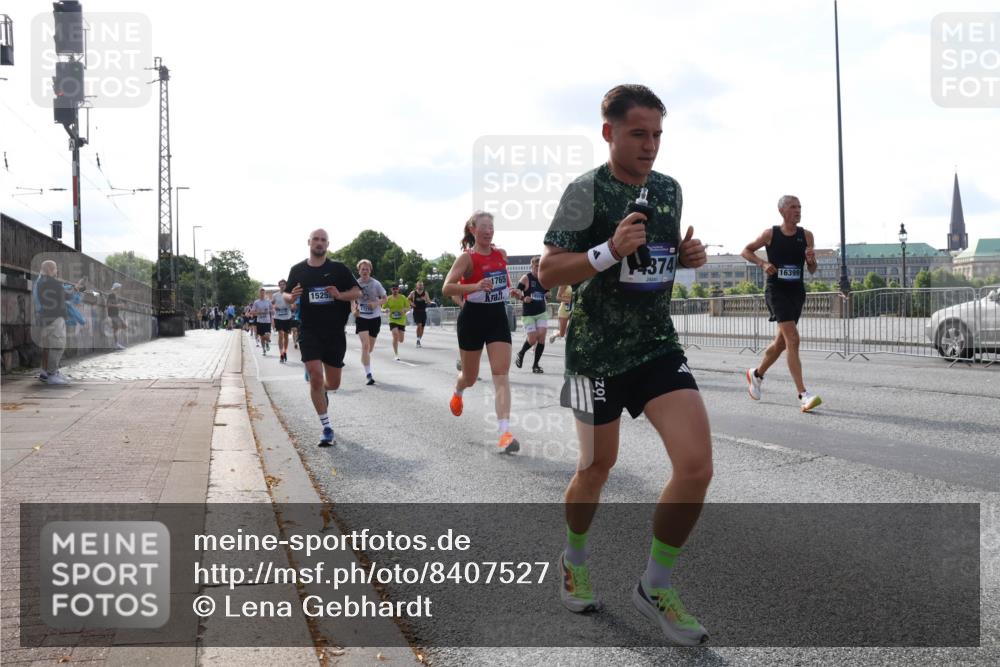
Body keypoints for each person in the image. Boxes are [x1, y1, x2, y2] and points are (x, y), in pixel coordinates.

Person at [538, 84, 711, 645]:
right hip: (593, 354)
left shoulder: (669, 190)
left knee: (696, 466)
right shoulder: (584, 192)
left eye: (658, 134)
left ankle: (655, 585)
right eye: (639, 134)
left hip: (657, 346)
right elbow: (546, 271)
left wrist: (684, 259)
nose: (651, 145)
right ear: (609, 131)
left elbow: (654, 263)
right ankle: (574, 558)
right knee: (596, 467)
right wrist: (607, 250)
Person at [444, 211, 524, 454]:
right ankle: (458, 391)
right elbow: (447, 287)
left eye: (491, 226)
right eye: (484, 227)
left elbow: (502, 283)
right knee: (470, 377)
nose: (489, 231)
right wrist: (474, 286)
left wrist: (512, 292)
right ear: (473, 229)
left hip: (497, 316)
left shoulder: (501, 255)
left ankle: (504, 433)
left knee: (501, 373)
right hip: (473, 318)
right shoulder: (466, 258)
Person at [740, 195, 822, 412]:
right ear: (782, 211)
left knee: (782, 343)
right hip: (776, 291)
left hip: (797, 292)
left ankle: (756, 375)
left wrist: (812, 261)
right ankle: (803, 394)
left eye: (800, 207)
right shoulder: (770, 234)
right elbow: (746, 250)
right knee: (793, 339)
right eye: (793, 207)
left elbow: (812, 269)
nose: (798, 210)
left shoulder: (807, 235)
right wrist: (762, 262)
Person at [284, 229, 361, 446]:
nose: (319, 243)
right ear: (309, 242)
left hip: (335, 333)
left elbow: (357, 292)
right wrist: (291, 297)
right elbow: (287, 294)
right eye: (316, 239)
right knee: (316, 376)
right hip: (309, 330)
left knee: (333, 384)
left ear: (327, 244)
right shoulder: (298, 270)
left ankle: (322, 390)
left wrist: (339, 295)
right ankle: (326, 427)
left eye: (323, 240)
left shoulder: (338, 269)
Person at [34, 260, 85, 385]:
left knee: (49, 346)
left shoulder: (41, 281)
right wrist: (76, 289)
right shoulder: (51, 282)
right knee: (57, 345)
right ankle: (52, 374)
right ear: (50, 269)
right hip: (54, 318)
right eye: (55, 269)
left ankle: (49, 373)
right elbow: (66, 295)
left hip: (47, 317)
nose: (57, 271)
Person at [352, 259, 386, 386]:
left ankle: (364, 359)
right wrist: (354, 310)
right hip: (361, 318)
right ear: (359, 271)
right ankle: (368, 374)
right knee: (365, 346)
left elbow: (384, 299)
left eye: (367, 269)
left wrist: (375, 303)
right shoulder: (355, 284)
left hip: (374, 318)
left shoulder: (376, 284)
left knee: (369, 349)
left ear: (370, 270)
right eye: (362, 269)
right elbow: (352, 300)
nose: (364, 271)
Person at [514, 256, 549, 373]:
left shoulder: (544, 278)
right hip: (528, 314)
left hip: (541, 312)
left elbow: (547, 292)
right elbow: (516, 293)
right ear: (531, 266)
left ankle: (535, 365)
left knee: (542, 336)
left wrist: (547, 294)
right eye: (536, 266)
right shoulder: (526, 278)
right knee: (532, 339)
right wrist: (523, 298)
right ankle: (521, 353)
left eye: (540, 266)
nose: (538, 269)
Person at [385, 284, 410, 361]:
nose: (395, 290)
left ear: (398, 290)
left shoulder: (403, 298)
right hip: (392, 319)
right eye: (393, 289)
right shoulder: (388, 298)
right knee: (395, 335)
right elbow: (383, 308)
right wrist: (386, 310)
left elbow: (408, 307)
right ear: (391, 290)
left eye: (396, 289)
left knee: (401, 340)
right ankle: (396, 354)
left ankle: (398, 339)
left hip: (401, 320)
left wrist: (405, 310)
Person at [272, 280, 294, 363]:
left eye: (283, 284)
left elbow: (293, 305)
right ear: (279, 286)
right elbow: (272, 304)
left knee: (286, 336)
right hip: (278, 317)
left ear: (286, 285)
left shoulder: (289, 294)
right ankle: (281, 354)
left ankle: (285, 352)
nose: (282, 286)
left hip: (287, 317)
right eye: (280, 285)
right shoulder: (275, 295)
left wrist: (292, 306)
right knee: (280, 334)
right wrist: (275, 306)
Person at [408, 281, 431, 347]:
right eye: (419, 285)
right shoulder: (413, 293)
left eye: (422, 285)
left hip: (423, 311)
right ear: (416, 286)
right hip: (416, 311)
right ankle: (418, 340)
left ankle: (419, 339)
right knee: (419, 325)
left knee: (422, 328)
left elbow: (429, 302)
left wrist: (426, 300)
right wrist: (412, 304)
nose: (421, 286)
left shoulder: (425, 293)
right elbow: (408, 299)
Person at [105, 282, 127, 350]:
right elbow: (108, 305)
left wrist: (120, 306)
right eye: (119, 288)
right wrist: (117, 305)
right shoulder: (111, 295)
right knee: (117, 327)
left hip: (116, 314)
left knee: (124, 326)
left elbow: (115, 304)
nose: (120, 289)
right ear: (116, 288)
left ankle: (116, 343)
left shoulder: (116, 296)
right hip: (112, 315)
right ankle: (116, 344)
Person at [252, 288, 274, 355]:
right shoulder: (256, 302)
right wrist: (258, 312)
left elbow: (272, 310)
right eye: (261, 293)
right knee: (262, 337)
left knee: (267, 334)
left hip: (267, 321)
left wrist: (269, 311)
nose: (262, 294)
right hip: (260, 321)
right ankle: (264, 349)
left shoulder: (268, 301)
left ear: (265, 293)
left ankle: (267, 341)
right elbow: (252, 312)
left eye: (263, 293)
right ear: (259, 294)